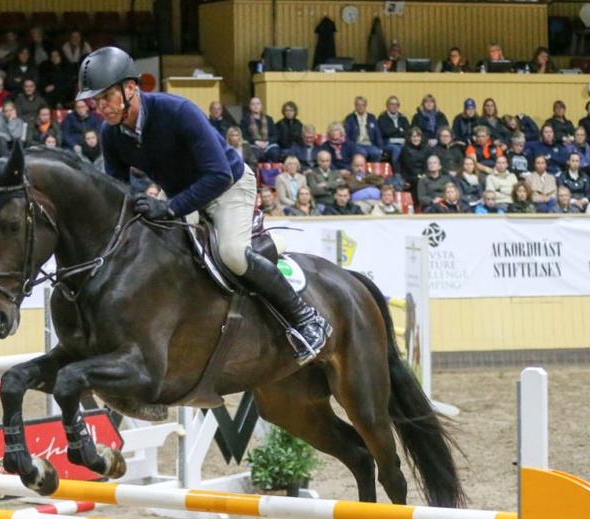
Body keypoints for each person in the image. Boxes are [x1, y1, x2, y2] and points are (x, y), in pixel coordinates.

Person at [75, 46, 328, 363]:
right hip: (180, 191)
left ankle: (305, 318)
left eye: (106, 97)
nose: (100, 108)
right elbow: (117, 191)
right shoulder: (111, 134)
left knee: (232, 255)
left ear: (130, 88)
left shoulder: (178, 111)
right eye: (95, 102)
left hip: (228, 186)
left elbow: (218, 175)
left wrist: (168, 209)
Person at [240, 97, 280, 162]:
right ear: (250, 107)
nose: (256, 106)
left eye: (258, 104)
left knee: (274, 152)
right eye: (253, 104)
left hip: (268, 144)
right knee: (254, 154)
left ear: (261, 106)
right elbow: (244, 136)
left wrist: (267, 142)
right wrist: (256, 142)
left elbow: (275, 135)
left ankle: (271, 171)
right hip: (253, 145)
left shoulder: (269, 119)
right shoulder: (244, 120)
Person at [343, 96, 383, 161]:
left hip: (369, 144)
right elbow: (346, 134)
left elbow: (377, 133)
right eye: (358, 105)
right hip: (356, 144)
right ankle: (362, 170)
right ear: (355, 106)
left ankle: (372, 170)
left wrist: (380, 147)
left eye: (363, 105)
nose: (360, 107)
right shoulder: (350, 118)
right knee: (362, 153)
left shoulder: (371, 117)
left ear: (366, 106)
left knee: (376, 153)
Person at [378, 95, 410, 164]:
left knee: (409, 149)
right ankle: (397, 172)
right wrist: (398, 129)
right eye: (391, 104)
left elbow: (407, 132)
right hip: (388, 144)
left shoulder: (403, 118)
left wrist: (392, 131)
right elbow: (384, 132)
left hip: (402, 142)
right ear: (387, 106)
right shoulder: (382, 118)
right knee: (396, 149)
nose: (394, 106)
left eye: (396, 104)